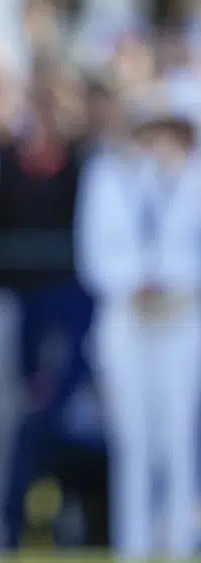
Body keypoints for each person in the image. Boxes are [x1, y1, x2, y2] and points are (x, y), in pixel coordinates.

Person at [75, 110, 201, 559]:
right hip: (126, 321)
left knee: (177, 438)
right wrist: (137, 283)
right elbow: (93, 256)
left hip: (181, 322)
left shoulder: (189, 178)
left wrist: (172, 281)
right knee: (132, 440)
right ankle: (135, 546)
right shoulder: (105, 176)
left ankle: (181, 545)